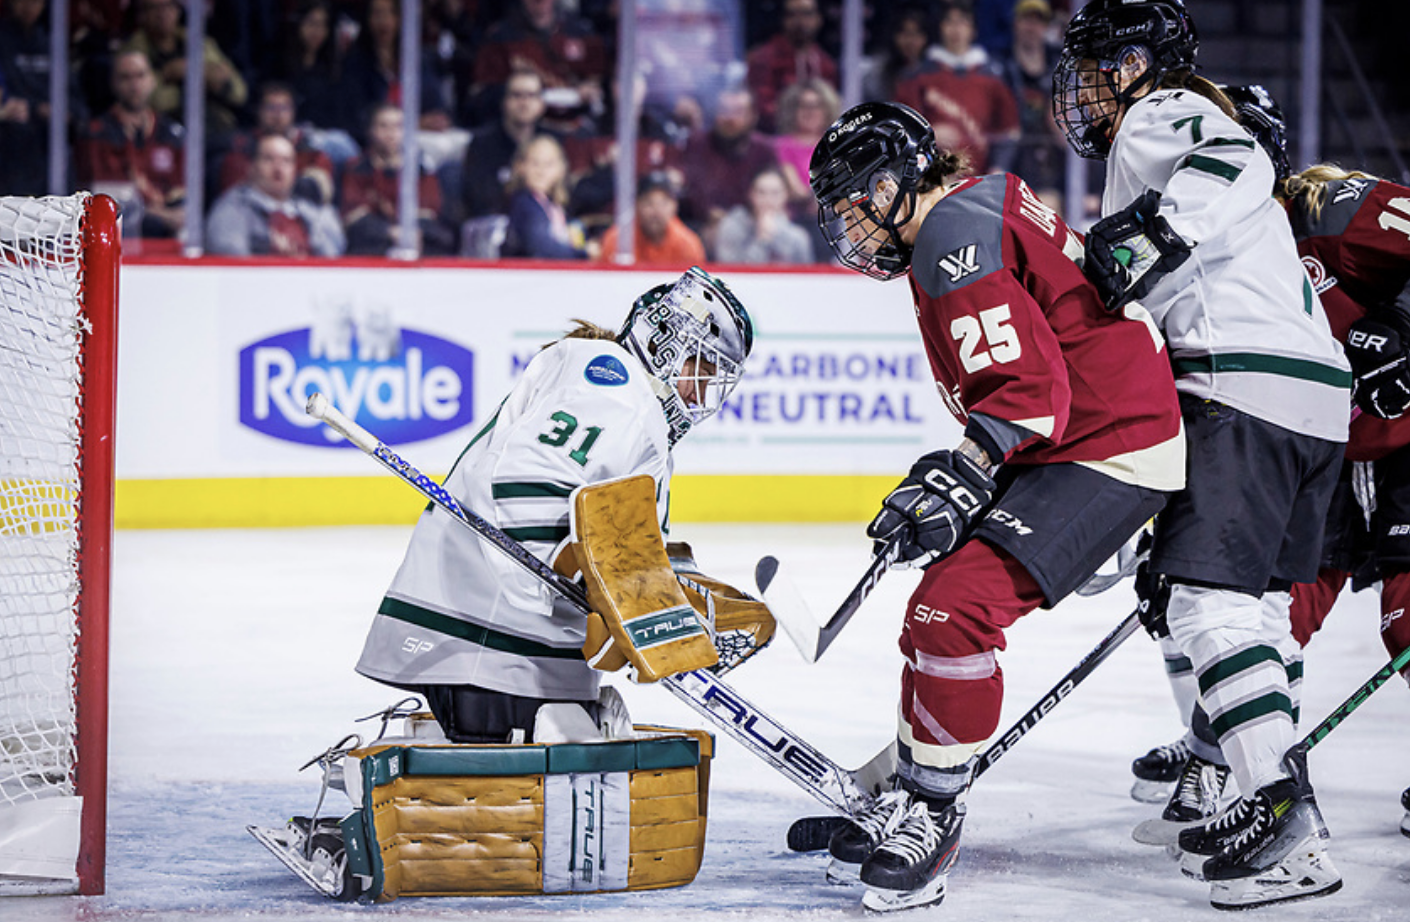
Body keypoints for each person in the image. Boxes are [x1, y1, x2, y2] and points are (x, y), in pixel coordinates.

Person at [807, 100, 1185, 912]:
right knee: (938, 590)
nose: (847, 224)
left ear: (896, 181)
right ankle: (913, 781)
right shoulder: (978, 203)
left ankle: (934, 811)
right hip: (1088, 430)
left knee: (953, 608)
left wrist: (969, 466)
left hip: (1107, 440)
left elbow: (1028, 390)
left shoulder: (951, 232)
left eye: (854, 201)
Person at [1053, 1, 1350, 909]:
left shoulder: (1161, 112)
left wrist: (1152, 231)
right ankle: (1273, 800)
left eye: (1101, 67)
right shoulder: (1169, 120)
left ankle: (1280, 814)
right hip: (1313, 400)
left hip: (1242, 384)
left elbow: (1236, 160)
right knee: (1255, 611)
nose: (1090, 89)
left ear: (1138, 63)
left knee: (1206, 607)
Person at [1132, 84, 1410, 842]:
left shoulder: (1332, 208)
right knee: (1249, 612)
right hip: (1317, 455)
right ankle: (1230, 755)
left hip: (1403, 449)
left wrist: (1403, 327)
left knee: (1405, 618)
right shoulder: (1206, 257)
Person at [354, 267, 753, 746]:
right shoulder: (616, 387)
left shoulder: (622, 395)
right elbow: (526, 484)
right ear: (664, 341)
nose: (700, 394)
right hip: (494, 648)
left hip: (505, 653)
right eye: (700, 369)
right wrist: (603, 597)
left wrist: (662, 590)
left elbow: (609, 536)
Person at [896, 0, 1020, 175]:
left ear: (973, 29)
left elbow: (1008, 132)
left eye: (963, 22)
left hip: (980, 181)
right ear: (940, 27)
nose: (956, 29)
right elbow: (901, 126)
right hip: (932, 179)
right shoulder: (919, 77)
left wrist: (998, 168)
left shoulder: (993, 78)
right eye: (949, 22)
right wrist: (929, 135)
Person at [75, 49, 185, 239]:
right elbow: (109, 200)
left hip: (170, 236)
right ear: (114, 83)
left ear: (153, 80)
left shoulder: (172, 134)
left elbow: (182, 195)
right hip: (118, 235)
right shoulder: (97, 134)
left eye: (140, 76)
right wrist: (163, 213)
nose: (135, 85)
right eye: (126, 78)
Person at [466, 0, 608, 133]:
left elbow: (596, 82)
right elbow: (481, 96)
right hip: (522, 129)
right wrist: (520, 94)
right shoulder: (500, 37)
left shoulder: (580, 32)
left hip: (573, 125)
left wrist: (589, 90)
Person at [121, 0, 249, 142]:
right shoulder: (133, 53)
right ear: (142, 15)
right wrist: (167, 75)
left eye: (169, 6)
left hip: (216, 126)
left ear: (178, 10)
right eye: (154, 8)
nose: (162, 14)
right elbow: (148, 101)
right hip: (164, 133)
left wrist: (193, 71)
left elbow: (239, 93)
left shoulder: (200, 43)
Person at [340, 103, 456, 257]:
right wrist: (390, 232)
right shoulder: (357, 169)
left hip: (417, 240)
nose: (391, 133)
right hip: (373, 244)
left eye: (398, 126)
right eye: (383, 126)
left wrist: (410, 233)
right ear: (371, 130)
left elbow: (429, 213)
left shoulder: (420, 171)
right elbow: (355, 218)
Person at [205, 132, 345, 257]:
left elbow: (334, 255)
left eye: (286, 161)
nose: (278, 168)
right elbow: (230, 260)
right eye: (269, 159)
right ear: (252, 167)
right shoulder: (232, 208)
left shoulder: (312, 209)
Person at [677, 87, 781, 248]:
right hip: (702, 224)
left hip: (752, 223)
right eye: (724, 111)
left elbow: (772, 189)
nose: (730, 118)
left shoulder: (763, 150)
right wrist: (708, 212)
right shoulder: (698, 144)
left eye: (738, 112)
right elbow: (689, 187)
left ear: (752, 117)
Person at [217, 82, 336, 206]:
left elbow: (320, 196)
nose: (278, 114)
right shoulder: (242, 149)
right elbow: (235, 198)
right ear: (258, 111)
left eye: (284, 107)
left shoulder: (311, 153)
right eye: (271, 107)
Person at [460, 68, 554, 220]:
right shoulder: (481, 145)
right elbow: (478, 200)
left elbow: (562, 195)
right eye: (517, 95)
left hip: (543, 226)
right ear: (504, 101)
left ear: (541, 104)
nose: (524, 103)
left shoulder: (550, 144)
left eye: (531, 95)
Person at [999, 0, 1065, 207]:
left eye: (1038, 21)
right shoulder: (999, 66)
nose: (1031, 27)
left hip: (1050, 163)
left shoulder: (1059, 67)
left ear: (1045, 27)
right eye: (1026, 20)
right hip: (1010, 158)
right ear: (1015, 23)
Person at [744, 0, 838, 134]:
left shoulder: (826, 63)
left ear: (819, 19)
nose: (800, 21)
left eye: (807, 14)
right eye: (792, 14)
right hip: (776, 138)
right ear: (783, 20)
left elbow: (832, 109)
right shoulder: (764, 58)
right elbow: (761, 108)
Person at [500, 133, 590, 260]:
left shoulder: (552, 204)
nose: (541, 171)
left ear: (561, 169)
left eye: (549, 164)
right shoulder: (525, 203)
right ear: (520, 166)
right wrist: (583, 253)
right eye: (535, 163)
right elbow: (542, 248)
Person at [596, 171, 706, 267]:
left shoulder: (687, 244)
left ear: (675, 206)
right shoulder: (618, 239)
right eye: (648, 203)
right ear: (637, 205)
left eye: (664, 203)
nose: (656, 211)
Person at [713, 166, 813, 265]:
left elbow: (806, 276)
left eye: (775, 193)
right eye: (761, 192)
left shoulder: (798, 237)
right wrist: (762, 240)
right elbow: (729, 270)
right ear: (751, 194)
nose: (768, 200)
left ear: (786, 195)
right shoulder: (731, 227)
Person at [861, 7, 936, 105]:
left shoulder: (935, 71)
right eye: (905, 33)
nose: (910, 41)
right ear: (894, 36)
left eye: (916, 34)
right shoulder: (878, 72)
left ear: (926, 38)